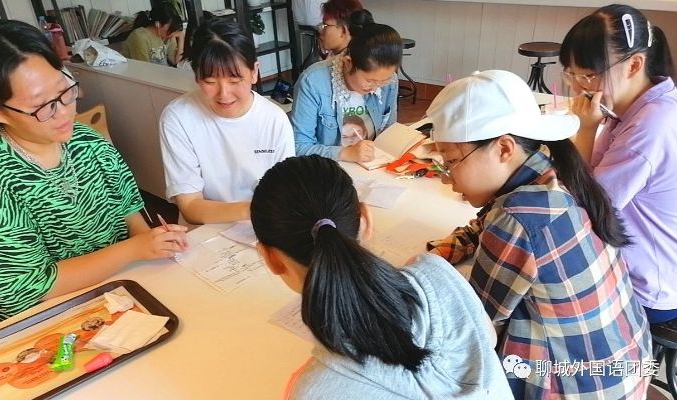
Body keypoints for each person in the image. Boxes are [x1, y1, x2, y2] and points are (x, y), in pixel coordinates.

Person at [425, 70, 651, 399]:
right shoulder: (553, 173)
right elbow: (489, 217)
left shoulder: (516, 218)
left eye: (451, 160)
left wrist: (423, 272)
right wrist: (452, 247)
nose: (447, 177)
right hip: (625, 363)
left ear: (504, 148)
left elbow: (473, 327)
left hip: (580, 387)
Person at [0, 20, 188, 324]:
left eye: (65, 91)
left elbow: (129, 213)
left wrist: (153, 242)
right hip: (50, 321)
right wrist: (134, 250)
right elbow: (33, 288)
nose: (64, 112)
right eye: (42, 106)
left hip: (125, 292)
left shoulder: (86, 140)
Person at [251, 155, 513, 399]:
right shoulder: (438, 273)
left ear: (270, 258)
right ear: (365, 220)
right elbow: (486, 338)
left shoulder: (313, 392)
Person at [560, 4, 677, 325]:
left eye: (588, 75)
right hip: (652, 265)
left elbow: (585, 210)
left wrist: (585, 129)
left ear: (634, 64)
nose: (578, 86)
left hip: (649, 288)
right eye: (571, 74)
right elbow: (590, 177)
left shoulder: (651, 126)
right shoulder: (641, 103)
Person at [159, 19, 294, 225]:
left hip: (263, 227)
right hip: (206, 230)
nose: (224, 94)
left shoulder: (274, 120)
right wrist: (257, 209)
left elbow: (285, 191)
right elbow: (190, 205)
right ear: (196, 77)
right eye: (210, 82)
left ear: (254, 72)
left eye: (234, 80)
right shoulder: (178, 118)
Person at [291, 12, 400, 162]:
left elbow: (390, 131)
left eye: (383, 81)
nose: (376, 88)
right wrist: (345, 153)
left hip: (372, 166)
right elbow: (299, 147)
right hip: (330, 168)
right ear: (348, 63)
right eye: (369, 81)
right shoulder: (313, 82)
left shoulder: (389, 80)